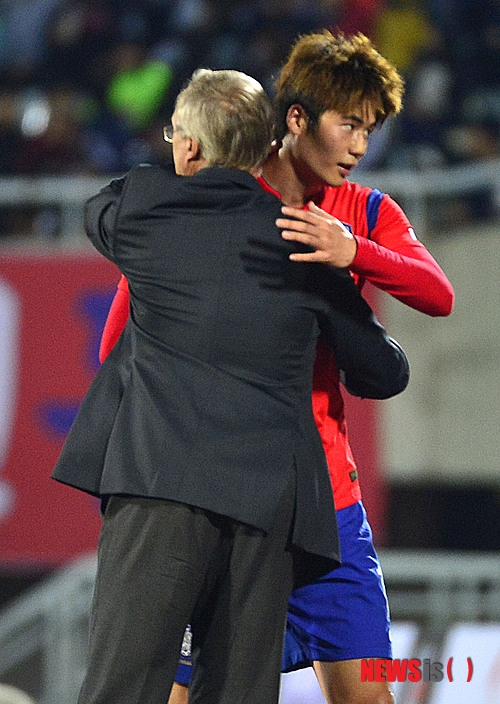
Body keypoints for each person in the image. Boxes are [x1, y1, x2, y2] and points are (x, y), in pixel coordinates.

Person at [100, 31, 453, 704]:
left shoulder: (365, 211)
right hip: (230, 499)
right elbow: (117, 340)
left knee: (370, 695)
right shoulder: (222, 197)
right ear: (296, 118)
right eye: (348, 124)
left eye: (370, 130)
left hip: (331, 502)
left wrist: (353, 252)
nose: (361, 145)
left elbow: (438, 294)